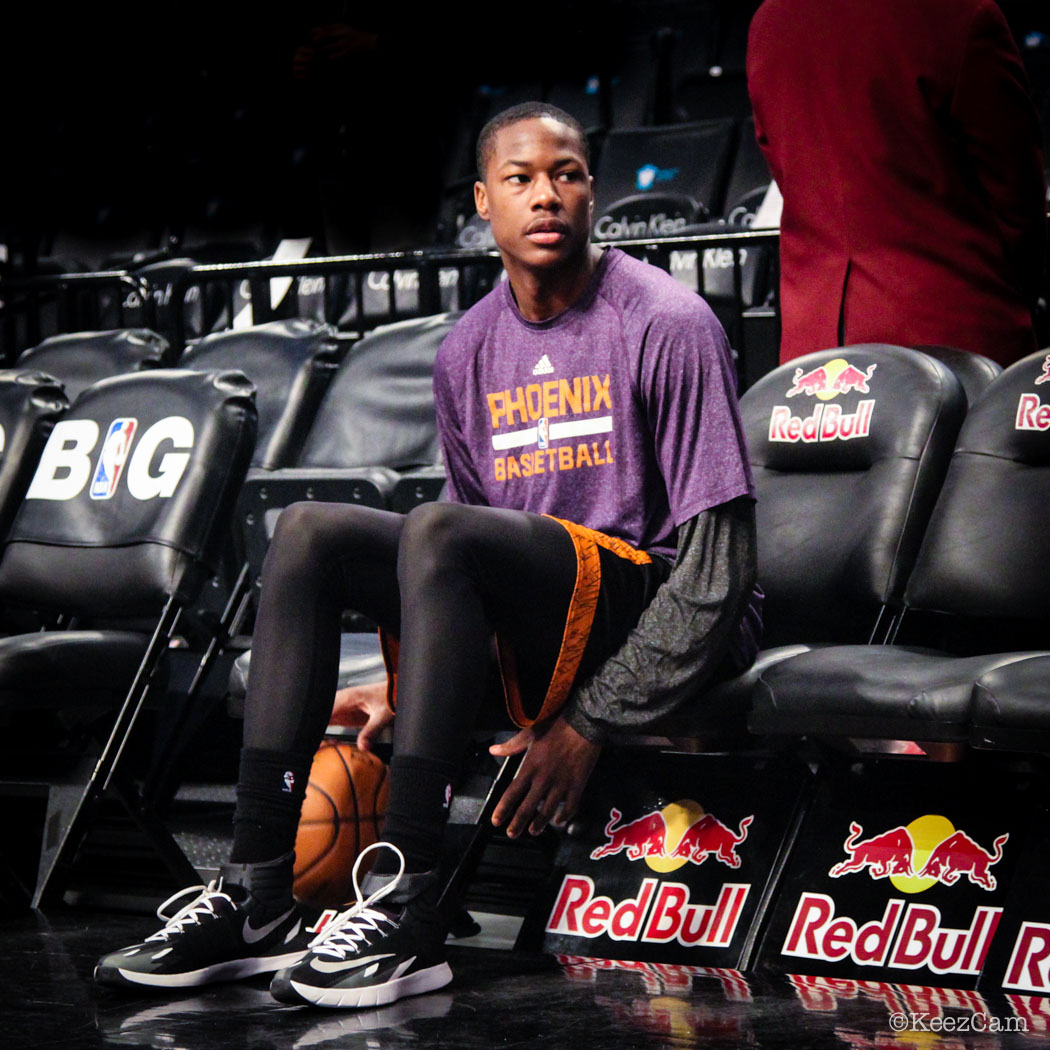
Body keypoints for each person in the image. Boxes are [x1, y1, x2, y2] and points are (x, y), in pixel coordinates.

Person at [94, 102, 763, 1009]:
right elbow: (462, 555)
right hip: (540, 617)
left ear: (593, 194)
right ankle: (255, 889)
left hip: (650, 609)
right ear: (483, 203)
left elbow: (719, 576)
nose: (546, 196)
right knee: (309, 532)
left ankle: (409, 892)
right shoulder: (468, 350)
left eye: (566, 174)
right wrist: (401, 685)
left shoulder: (666, 322)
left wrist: (590, 724)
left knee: (437, 530)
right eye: (521, 180)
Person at [746, 0, 1047, 366]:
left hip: (815, 345)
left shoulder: (770, 21)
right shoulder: (961, 13)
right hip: (954, 340)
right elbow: (1017, 196)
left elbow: (784, 169)